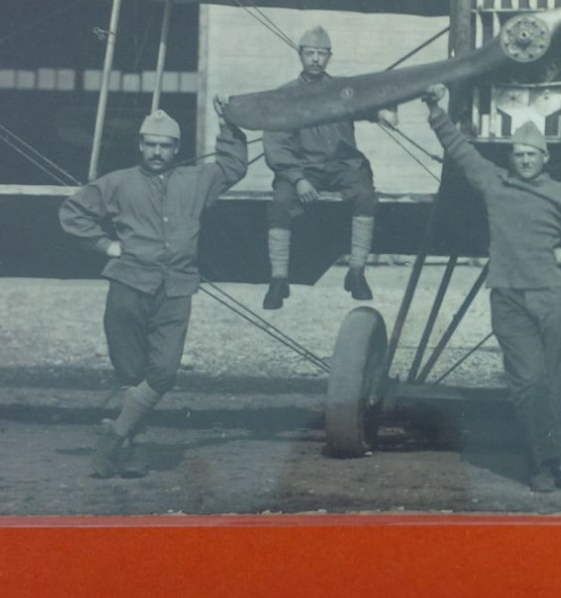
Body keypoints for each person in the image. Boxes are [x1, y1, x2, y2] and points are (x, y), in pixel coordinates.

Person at [425, 83, 561, 493]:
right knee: (528, 383)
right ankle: (553, 462)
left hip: (552, 296)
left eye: (533, 154)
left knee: (555, 383)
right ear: (510, 157)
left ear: (545, 158)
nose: (526, 160)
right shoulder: (494, 184)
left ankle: (543, 464)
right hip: (508, 297)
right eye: (519, 154)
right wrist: (436, 111)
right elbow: (461, 151)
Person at [59, 99, 248, 478]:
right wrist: (106, 245)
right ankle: (137, 450)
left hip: (176, 291)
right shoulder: (118, 182)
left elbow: (233, 166)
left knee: (162, 372)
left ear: (177, 149)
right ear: (141, 146)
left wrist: (228, 125)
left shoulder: (197, 180)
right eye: (150, 144)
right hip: (128, 286)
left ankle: (113, 437)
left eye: (165, 146)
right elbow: (72, 213)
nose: (157, 152)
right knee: (131, 373)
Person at [261, 26, 382, 310]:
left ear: (329, 57)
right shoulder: (285, 95)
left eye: (321, 54)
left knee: (365, 194)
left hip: (342, 165)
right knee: (281, 201)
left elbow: (370, 101)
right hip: (304, 167)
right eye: (310, 53)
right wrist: (297, 178)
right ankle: (278, 279)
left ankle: (356, 272)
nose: (315, 59)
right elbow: (276, 144)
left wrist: (383, 112)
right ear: (300, 55)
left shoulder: (343, 91)